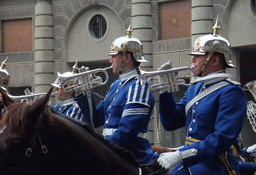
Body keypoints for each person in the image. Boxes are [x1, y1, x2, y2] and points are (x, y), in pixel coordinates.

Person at [157, 16, 247, 175]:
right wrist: (165, 91)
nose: (192, 60)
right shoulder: (195, 88)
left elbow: (222, 139)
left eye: (198, 56)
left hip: (216, 163)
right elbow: (171, 122)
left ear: (214, 61)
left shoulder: (231, 92)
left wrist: (180, 155)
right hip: (191, 162)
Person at [76, 24, 155, 164]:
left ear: (127, 57)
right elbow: (95, 120)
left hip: (131, 154)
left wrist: (99, 147)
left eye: (113, 56)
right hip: (112, 150)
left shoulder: (139, 84)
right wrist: (85, 92)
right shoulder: (115, 85)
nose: (110, 61)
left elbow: (127, 131)